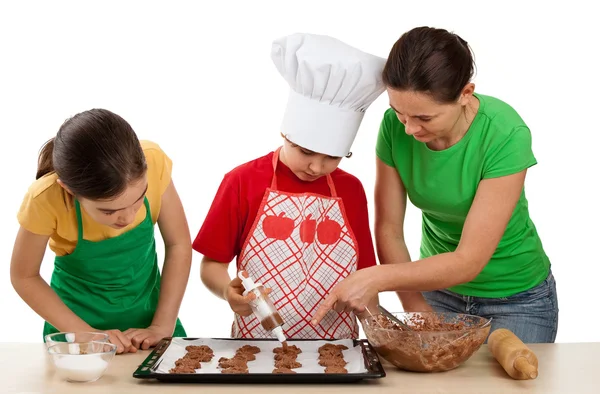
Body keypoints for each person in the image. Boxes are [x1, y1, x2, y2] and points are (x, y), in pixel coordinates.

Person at [312, 26, 558, 343]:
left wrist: (374, 277)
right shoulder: (394, 127)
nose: (410, 128)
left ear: (465, 94)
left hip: (517, 299)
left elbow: (469, 260)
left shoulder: (505, 133)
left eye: (425, 118)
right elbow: (388, 229)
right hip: (436, 291)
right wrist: (417, 308)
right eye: (399, 112)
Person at [193, 33, 385, 339]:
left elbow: (365, 276)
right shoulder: (242, 181)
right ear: (286, 133)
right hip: (256, 348)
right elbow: (211, 265)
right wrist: (228, 294)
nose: (316, 167)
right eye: (306, 151)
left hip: (337, 351)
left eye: (333, 157)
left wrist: (379, 335)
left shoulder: (351, 189)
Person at [10, 109, 191, 353]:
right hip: (76, 334)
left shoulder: (154, 160)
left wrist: (162, 324)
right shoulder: (45, 198)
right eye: (109, 211)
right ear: (70, 190)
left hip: (154, 323)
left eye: (138, 198)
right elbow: (24, 276)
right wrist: (83, 334)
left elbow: (178, 244)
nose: (127, 217)